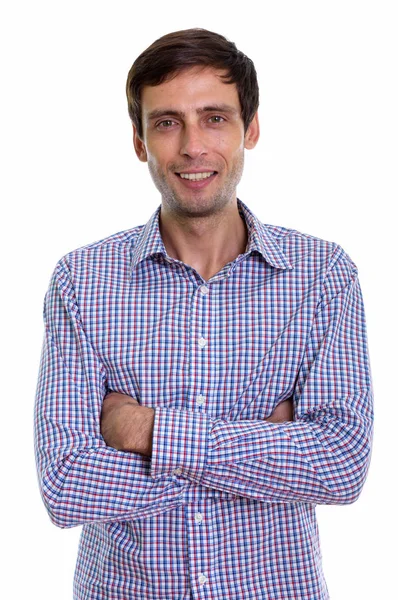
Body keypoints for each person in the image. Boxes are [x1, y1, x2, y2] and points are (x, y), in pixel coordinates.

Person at [34, 28, 373, 600]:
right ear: (140, 141)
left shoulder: (323, 276)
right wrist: (261, 450)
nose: (193, 146)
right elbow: (66, 485)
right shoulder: (81, 282)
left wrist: (145, 430)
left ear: (252, 129)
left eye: (214, 117)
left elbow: (340, 466)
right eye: (167, 122)